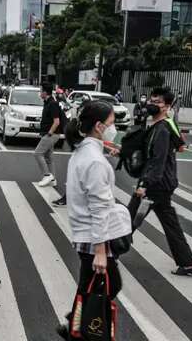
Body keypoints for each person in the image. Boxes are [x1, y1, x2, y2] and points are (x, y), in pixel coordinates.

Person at [56, 100, 130, 339]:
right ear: (98, 126)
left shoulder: (83, 152)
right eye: (111, 123)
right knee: (106, 286)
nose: (114, 127)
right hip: (94, 236)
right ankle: (78, 328)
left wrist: (104, 148)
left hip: (85, 232)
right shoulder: (95, 161)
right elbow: (99, 207)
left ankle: (73, 326)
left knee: (89, 286)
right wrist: (100, 250)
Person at [128, 87, 192, 277]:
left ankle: (109, 254)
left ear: (167, 106)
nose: (153, 105)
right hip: (163, 183)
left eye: (158, 102)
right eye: (152, 101)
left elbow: (157, 161)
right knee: (170, 223)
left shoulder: (162, 128)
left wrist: (144, 185)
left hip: (155, 184)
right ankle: (188, 264)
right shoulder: (165, 124)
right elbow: (181, 147)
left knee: (129, 218)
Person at [35, 82, 66, 207]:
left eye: (41, 90)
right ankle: (53, 179)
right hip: (49, 133)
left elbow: (57, 121)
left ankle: (47, 175)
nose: (39, 93)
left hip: (52, 134)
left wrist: (49, 133)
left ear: (45, 92)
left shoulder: (52, 104)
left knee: (37, 153)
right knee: (48, 156)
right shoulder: (48, 102)